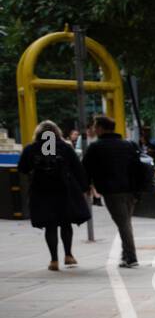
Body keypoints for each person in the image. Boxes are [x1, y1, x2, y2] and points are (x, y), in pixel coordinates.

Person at [18, 120, 90, 271]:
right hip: (64, 190)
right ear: (57, 133)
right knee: (65, 223)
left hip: (42, 190)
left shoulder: (31, 148)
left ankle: (54, 260)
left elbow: (23, 168)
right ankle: (69, 255)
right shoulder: (65, 147)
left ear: (38, 133)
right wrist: (84, 187)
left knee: (50, 225)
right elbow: (78, 168)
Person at [82, 115, 143, 268]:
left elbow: (85, 169)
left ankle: (131, 257)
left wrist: (86, 186)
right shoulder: (128, 145)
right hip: (131, 190)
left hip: (112, 191)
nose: (94, 129)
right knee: (125, 221)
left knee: (123, 223)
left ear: (101, 128)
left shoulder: (96, 147)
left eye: (96, 126)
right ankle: (126, 254)